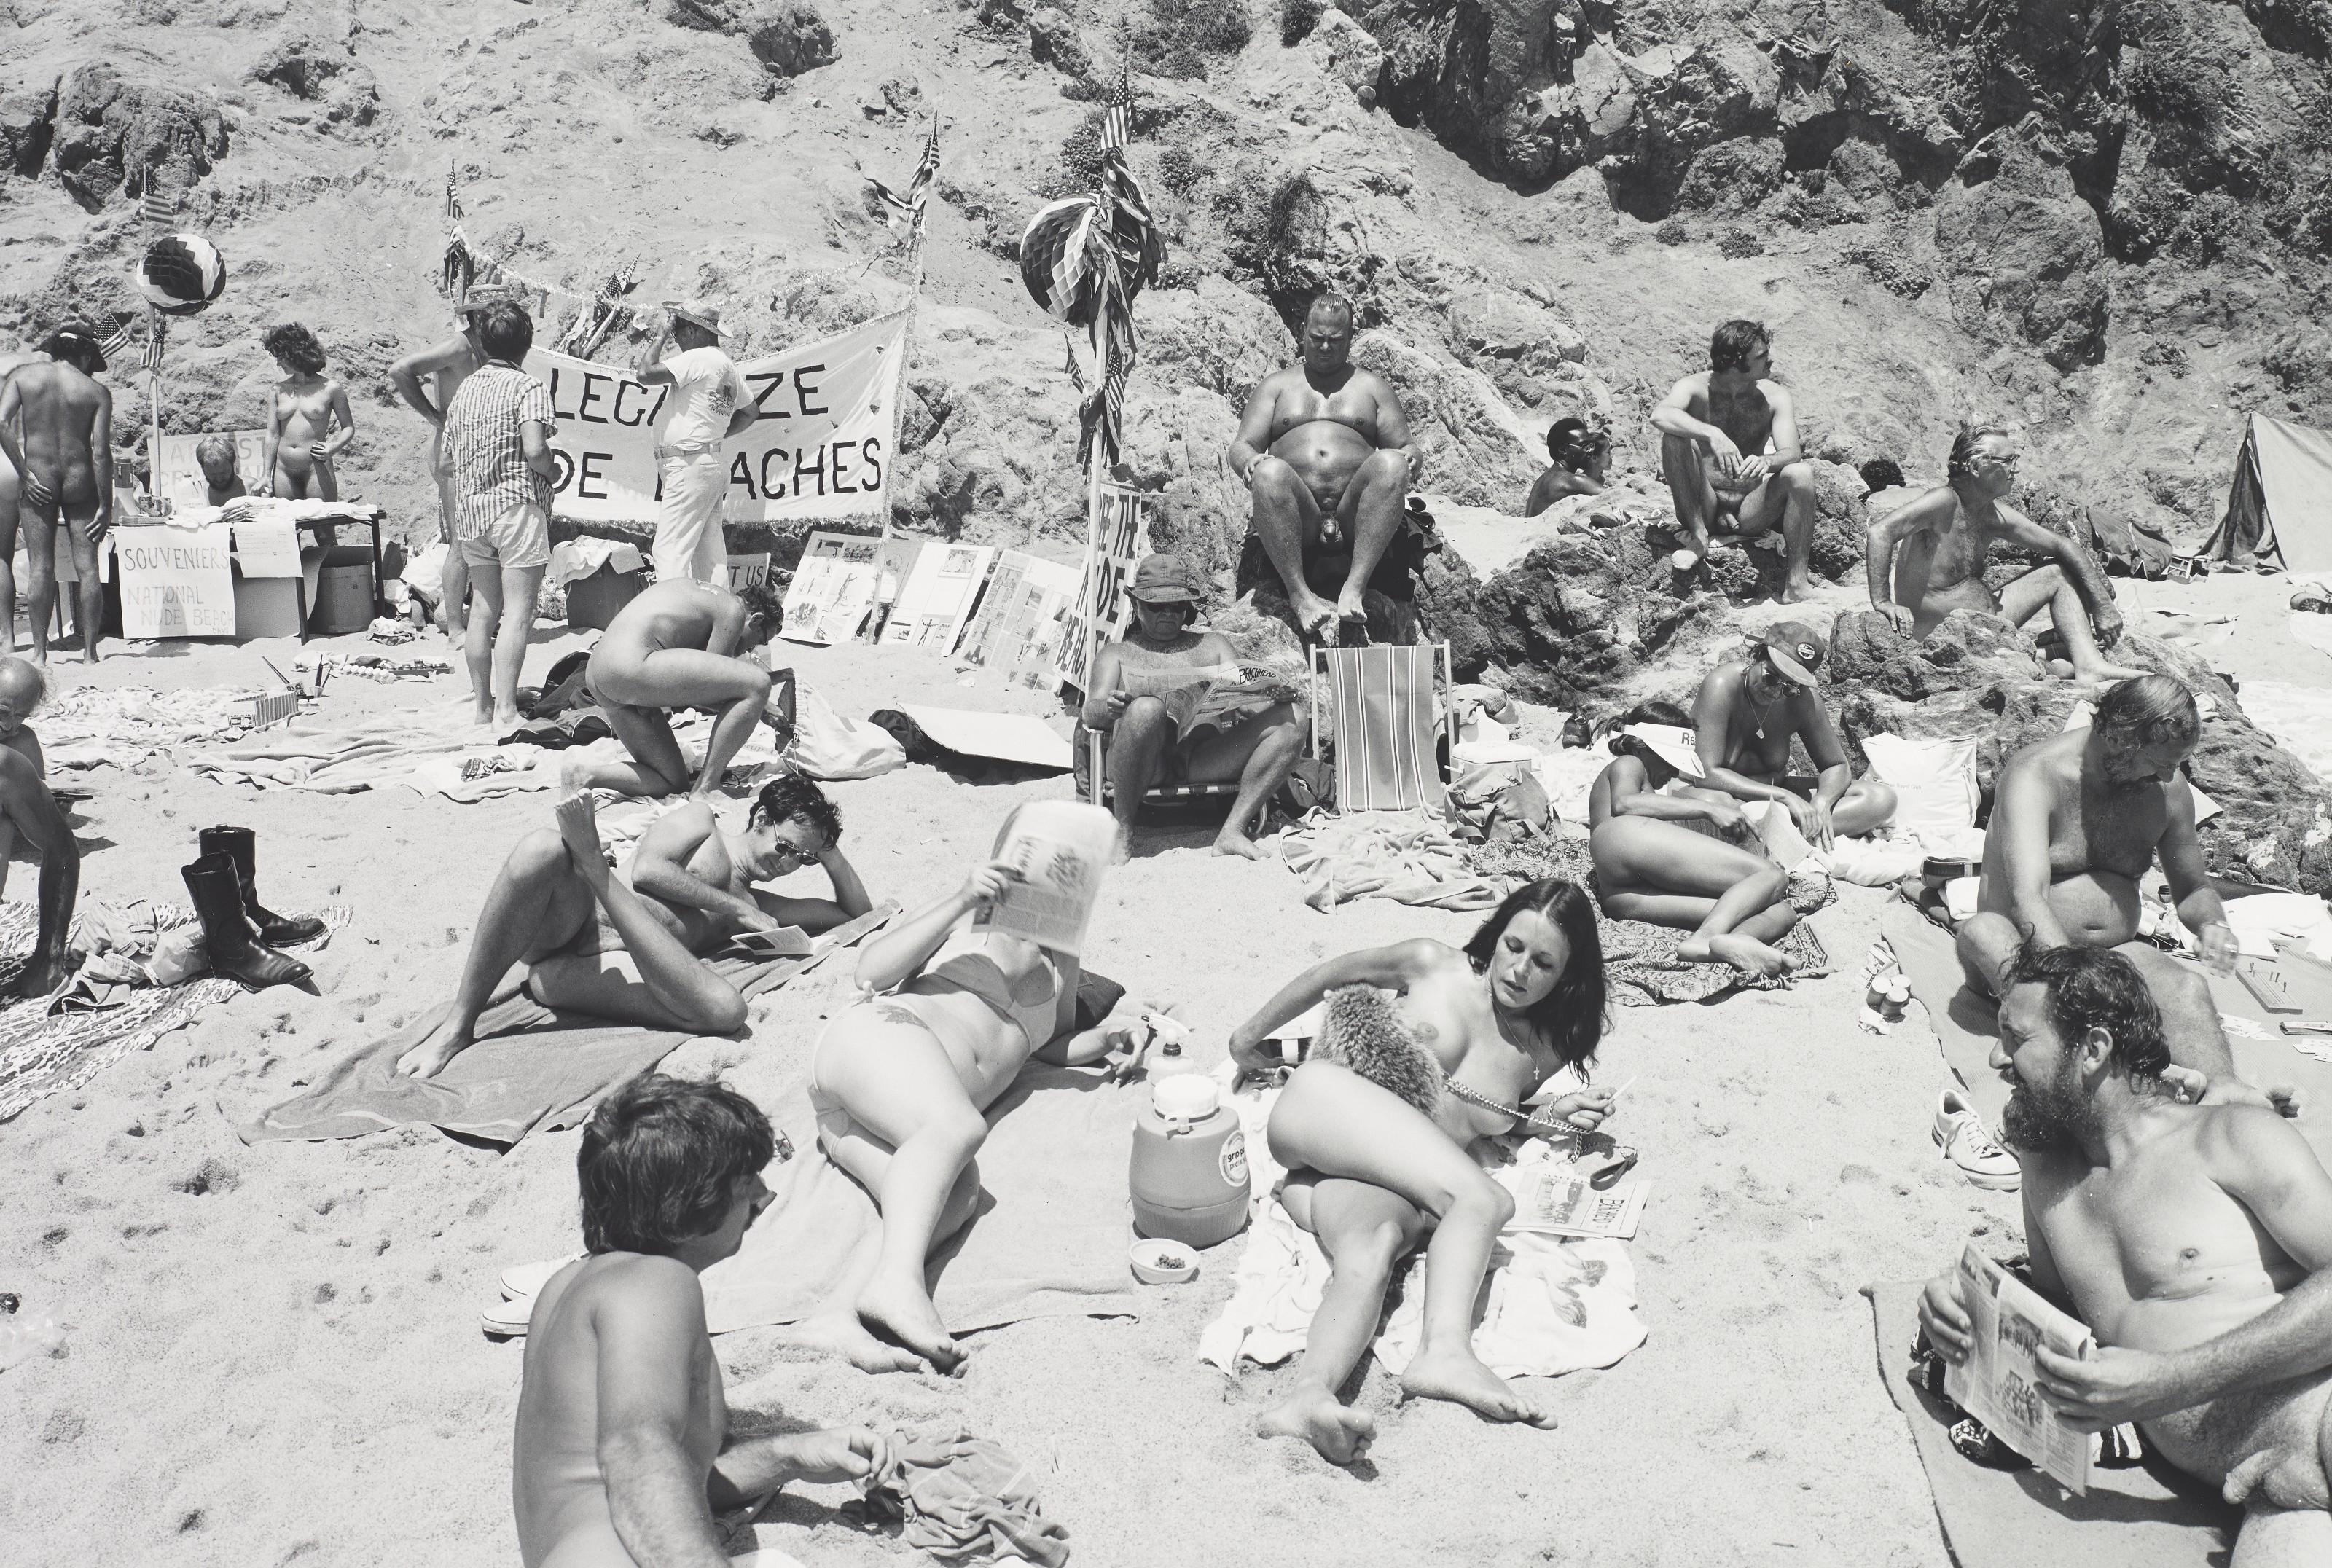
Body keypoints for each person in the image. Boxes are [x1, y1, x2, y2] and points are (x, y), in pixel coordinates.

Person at [1917, 944, 2332, 1566]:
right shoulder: (2046, 1170)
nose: (1997, 1058)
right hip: (2264, 1489)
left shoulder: (2230, 1138)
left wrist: (2169, 1382)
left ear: (2092, 1050)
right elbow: (2061, 1307)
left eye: (2017, 1038)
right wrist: (1968, 1302)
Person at [1226, 879, 1614, 1465]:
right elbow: (1329, 974)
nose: (1519, 971)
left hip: (1378, 1177)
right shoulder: (1436, 964)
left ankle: (1308, 1398)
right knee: (1482, 1201)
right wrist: (1247, 1039)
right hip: (1324, 1109)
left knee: (1374, 1250)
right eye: (1513, 947)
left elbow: (1481, 1114)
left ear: (1567, 974)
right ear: (1497, 932)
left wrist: (1546, 1116)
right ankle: (1444, 1352)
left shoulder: (1541, 1049)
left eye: (1543, 963)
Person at [803, 807, 1140, 1373]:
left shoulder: (1064, 954)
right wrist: (961, 898)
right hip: (877, 1041)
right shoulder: (969, 915)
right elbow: (871, 971)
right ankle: (900, 1288)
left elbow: (1046, 1044)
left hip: (868, 1115)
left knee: (955, 1195)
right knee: (957, 1128)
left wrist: (1110, 1036)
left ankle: (836, 1316)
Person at [514, 1071, 885, 1568]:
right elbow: (635, 1453)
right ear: (689, 1204)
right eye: (743, 1182)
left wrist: (791, 1456)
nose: (764, 1195)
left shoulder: (567, 1289)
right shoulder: (658, 1282)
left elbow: (653, 1485)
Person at [396, 776, 871, 1078]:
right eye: (788, 847)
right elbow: (647, 870)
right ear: (763, 819)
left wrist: (828, 852)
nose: (788, 865)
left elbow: (856, 915)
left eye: (802, 860)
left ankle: (550, 979)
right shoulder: (704, 825)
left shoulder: (764, 902)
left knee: (726, 1010)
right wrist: (734, 908)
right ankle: (460, 1022)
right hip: (575, 919)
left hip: (593, 969)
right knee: (541, 848)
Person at [1956, 674, 2277, 1104]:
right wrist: (2081, 977)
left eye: (2178, 761)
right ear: (2120, 740)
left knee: (2186, 989)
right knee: (1984, 931)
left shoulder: (2167, 788)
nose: (2170, 773)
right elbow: (2027, 898)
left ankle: (2223, 1091)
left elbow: (2193, 890)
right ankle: (2144, 1079)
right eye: (2160, 760)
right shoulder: (2038, 774)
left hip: (2113, 953)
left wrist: (2213, 924)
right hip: (2023, 946)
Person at [1866, 423, 2145, 687]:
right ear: (1977, 467)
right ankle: (2044, 660)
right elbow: (1880, 532)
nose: (2015, 469)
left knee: (2057, 573)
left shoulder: (1991, 513)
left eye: (2016, 459)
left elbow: (2064, 546)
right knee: (2056, 663)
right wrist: (1882, 602)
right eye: (2008, 461)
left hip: (1986, 624)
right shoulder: (1943, 501)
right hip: (1941, 635)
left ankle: (2088, 664)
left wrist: (2103, 605)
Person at [1079, 554, 1306, 863]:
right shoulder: (1117, 654)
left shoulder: (1213, 646)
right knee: (1146, 710)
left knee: (1294, 718)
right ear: (1137, 607)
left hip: (1203, 757)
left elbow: (1249, 703)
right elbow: (1089, 715)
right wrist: (1109, 707)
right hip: (1145, 764)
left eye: (1176, 606)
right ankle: (1123, 832)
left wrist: (1271, 697)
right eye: (1157, 607)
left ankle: (1232, 831)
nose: (1168, 615)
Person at [1226, 294, 1420, 641]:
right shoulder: (1277, 386)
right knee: (1269, 472)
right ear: (1303, 332)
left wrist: (1411, 457)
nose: (1326, 347)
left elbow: (1404, 446)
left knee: (1391, 464)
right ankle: (1300, 596)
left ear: (1351, 335)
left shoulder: (1372, 388)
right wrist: (1248, 461)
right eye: (1317, 339)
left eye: (1336, 340)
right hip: (1298, 517)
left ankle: (1354, 588)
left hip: (1353, 515)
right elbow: (1243, 445)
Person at [1587, 702, 1800, 978]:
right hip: (1619, 840)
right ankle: (1706, 936)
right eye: (1670, 760)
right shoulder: (1630, 762)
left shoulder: (1645, 780)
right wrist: (1709, 810)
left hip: (1621, 896)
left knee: (1776, 910)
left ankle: (1729, 941)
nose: (1675, 772)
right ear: (1641, 745)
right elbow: (1624, 804)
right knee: (1772, 876)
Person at [563, 578, 789, 802]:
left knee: (672, 780)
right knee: (758, 685)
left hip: (601, 674)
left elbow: (701, 679)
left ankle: (585, 775)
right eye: (762, 639)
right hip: (631, 665)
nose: (753, 648)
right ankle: (707, 786)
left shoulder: (704, 596)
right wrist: (763, 703)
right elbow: (714, 690)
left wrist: (767, 681)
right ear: (756, 620)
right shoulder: (733, 611)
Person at [442, 301, 556, 730]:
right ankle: (508, 711)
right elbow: (535, 450)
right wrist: (554, 471)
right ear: (526, 344)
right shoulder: (528, 388)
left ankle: (482, 708)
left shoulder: (464, 393)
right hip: (515, 509)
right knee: (518, 614)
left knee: (482, 613)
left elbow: (450, 460)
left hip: (472, 513)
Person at [1651, 319, 1819, 602]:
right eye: (1762, 356)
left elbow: (1792, 452)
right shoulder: (1695, 387)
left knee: (1801, 474)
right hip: (1702, 502)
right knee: (1674, 438)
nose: (1770, 360)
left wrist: (1768, 462)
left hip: (1748, 508)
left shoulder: (1774, 396)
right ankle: (1699, 538)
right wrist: (1713, 434)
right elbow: (1660, 416)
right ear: (1737, 362)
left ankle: (1796, 584)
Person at [1689, 622, 1896, 848]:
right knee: (1714, 803)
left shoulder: (1802, 700)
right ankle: (1785, 836)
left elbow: (1836, 765)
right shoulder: (1722, 685)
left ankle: (1771, 837)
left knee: (1880, 799)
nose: (1776, 692)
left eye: (1790, 687)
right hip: (1723, 795)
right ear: (1757, 656)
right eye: (1771, 677)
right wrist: (1783, 796)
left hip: (1776, 800)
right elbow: (1705, 774)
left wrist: (1823, 802)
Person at [388, 283, 517, 643]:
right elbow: (401, 370)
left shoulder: (488, 350)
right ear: (479, 319)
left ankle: (479, 620)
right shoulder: (461, 346)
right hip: (454, 453)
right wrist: (434, 416)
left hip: (482, 452)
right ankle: (456, 629)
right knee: (462, 541)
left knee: (486, 539)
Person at [0, 324, 114, 664]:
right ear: (84, 355)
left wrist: (23, 472)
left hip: (39, 476)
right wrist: (106, 505)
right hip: (80, 479)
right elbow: (100, 453)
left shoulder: (25, 377)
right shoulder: (96, 391)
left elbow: (2, 423)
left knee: (40, 567)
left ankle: (39, 653)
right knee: (88, 568)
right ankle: (91, 654)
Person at [633, 299, 756, 585]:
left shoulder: (699, 358)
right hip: (708, 463)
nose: (676, 339)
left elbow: (645, 373)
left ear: (693, 331)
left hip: (689, 466)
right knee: (709, 555)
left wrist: (661, 334)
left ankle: (673, 622)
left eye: (678, 332)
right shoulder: (726, 365)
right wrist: (715, 436)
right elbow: (751, 411)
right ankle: (718, 619)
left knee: (669, 550)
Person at [0, 654, 77, 995]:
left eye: (21, 717)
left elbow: (61, 848)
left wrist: (50, 956)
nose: (10, 727)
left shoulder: (11, 758)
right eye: (3, 713)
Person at [257, 323, 354, 503]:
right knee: (288, 529)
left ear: (295, 354)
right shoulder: (277, 390)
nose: (278, 363)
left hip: (315, 467)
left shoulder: (331, 389)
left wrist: (334, 446)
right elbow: (272, 435)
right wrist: (265, 474)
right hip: (283, 470)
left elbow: (348, 427)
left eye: (281, 358)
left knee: (324, 529)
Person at [1522, 417, 1611, 517]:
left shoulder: (1546, 478)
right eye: (1584, 445)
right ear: (1563, 450)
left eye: (1591, 445)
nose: (1590, 450)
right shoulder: (1569, 481)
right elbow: (1617, 495)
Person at [194, 435, 247, 508]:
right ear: (202, 469)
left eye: (224, 473)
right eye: (212, 474)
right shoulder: (197, 493)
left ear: (233, 463)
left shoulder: (251, 488)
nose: (219, 479)